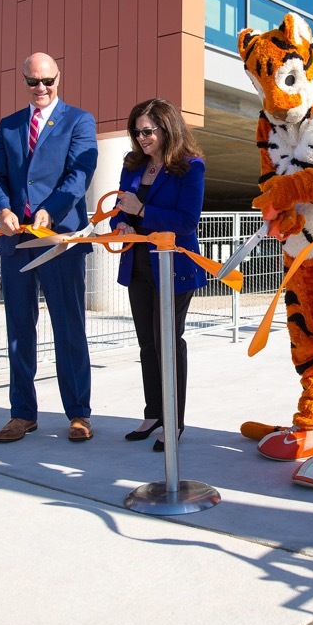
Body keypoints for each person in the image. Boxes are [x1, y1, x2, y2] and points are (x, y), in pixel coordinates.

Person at [0, 52, 97, 443]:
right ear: (24, 81)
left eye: (47, 81)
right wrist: (1, 209)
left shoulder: (79, 121)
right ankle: (22, 414)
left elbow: (80, 173)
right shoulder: (9, 125)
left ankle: (79, 413)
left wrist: (52, 210)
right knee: (19, 330)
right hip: (16, 243)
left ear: (59, 78)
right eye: (33, 82)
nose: (41, 88)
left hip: (58, 241)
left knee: (69, 328)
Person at [109, 98, 206, 453]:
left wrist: (143, 209)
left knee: (168, 342)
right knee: (147, 344)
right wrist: (120, 221)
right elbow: (119, 209)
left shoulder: (189, 167)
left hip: (174, 267)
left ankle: (174, 420)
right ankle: (154, 413)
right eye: (137, 132)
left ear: (167, 128)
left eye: (147, 131)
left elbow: (186, 221)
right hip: (138, 265)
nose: (141, 138)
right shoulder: (132, 165)